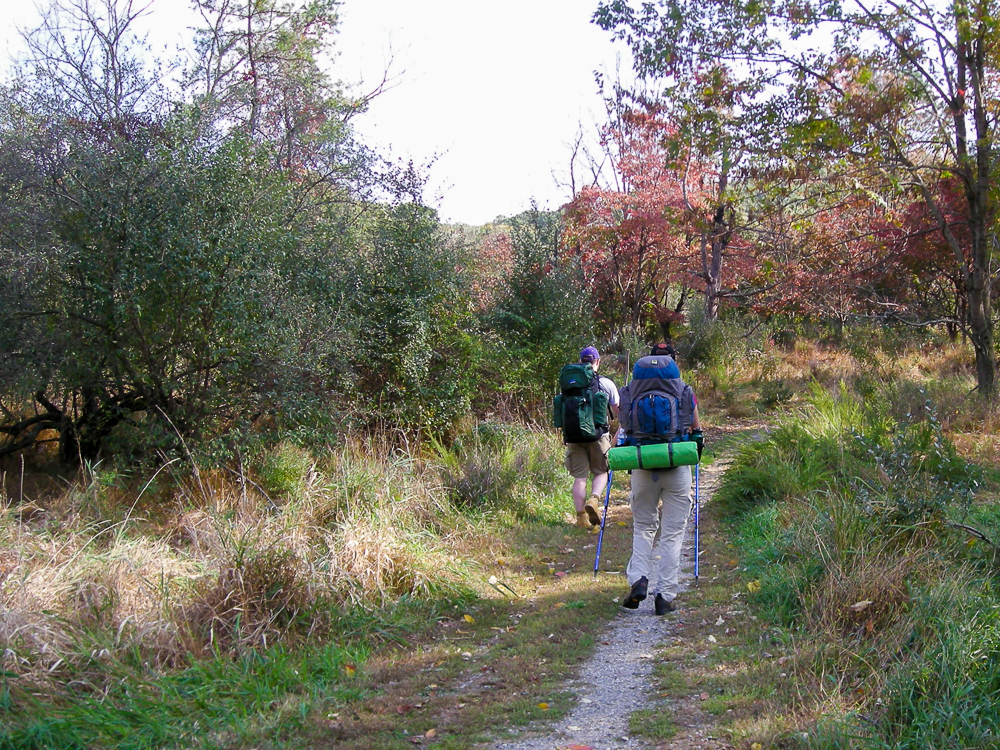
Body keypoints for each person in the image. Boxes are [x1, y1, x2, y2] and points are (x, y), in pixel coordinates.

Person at [618, 343, 702, 615]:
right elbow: (696, 429)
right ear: (673, 363)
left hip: (643, 464)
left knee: (643, 526)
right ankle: (664, 596)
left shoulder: (632, 390)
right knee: (673, 533)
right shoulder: (684, 390)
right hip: (675, 463)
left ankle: (639, 579)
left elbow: (623, 428)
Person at [563, 346, 620, 530]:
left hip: (574, 436)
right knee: (601, 472)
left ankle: (580, 518)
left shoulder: (569, 382)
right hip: (598, 435)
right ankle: (594, 499)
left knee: (580, 478)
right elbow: (619, 411)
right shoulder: (606, 383)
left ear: (581, 361)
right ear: (597, 362)